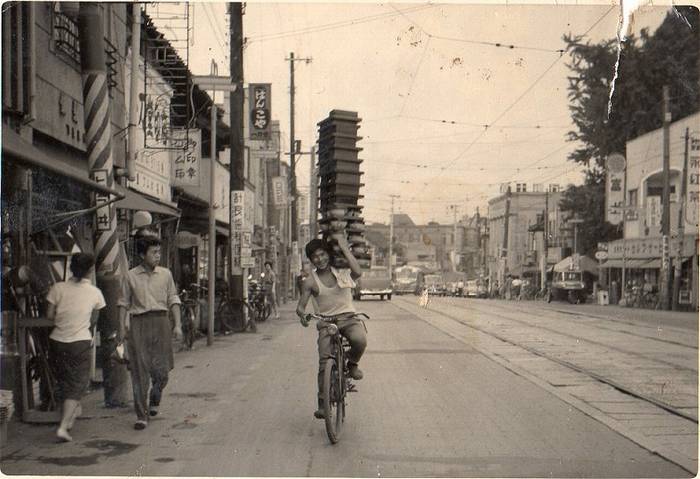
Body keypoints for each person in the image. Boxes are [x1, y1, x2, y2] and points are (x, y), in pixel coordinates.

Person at [296, 235, 367, 420]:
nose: (320, 259)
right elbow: (300, 306)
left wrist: (344, 248)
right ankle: (322, 403)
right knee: (324, 361)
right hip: (327, 322)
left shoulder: (341, 272)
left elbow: (357, 272)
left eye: (322, 254)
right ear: (311, 261)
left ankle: (351, 364)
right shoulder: (310, 281)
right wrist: (303, 316)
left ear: (328, 254)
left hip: (348, 318)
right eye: (315, 257)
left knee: (360, 340)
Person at [118, 236, 182, 430]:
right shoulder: (130, 276)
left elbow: (173, 299)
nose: (158, 256)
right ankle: (141, 415)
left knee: (162, 371)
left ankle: (155, 396)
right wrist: (122, 328)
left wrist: (177, 324)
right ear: (141, 254)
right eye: (154, 252)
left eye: (159, 252)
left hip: (161, 322)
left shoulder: (166, 274)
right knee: (139, 371)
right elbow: (123, 303)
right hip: (139, 324)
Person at [46, 253, 106, 442]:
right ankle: (63, 427)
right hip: (80, 342)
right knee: (77, 384)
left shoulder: (58, 288)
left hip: (57, 340)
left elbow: (49, 316)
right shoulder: (95, 293)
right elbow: (94, 320)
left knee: (65, 381)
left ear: (71, 268)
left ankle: (70, 416)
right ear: (90, 270)